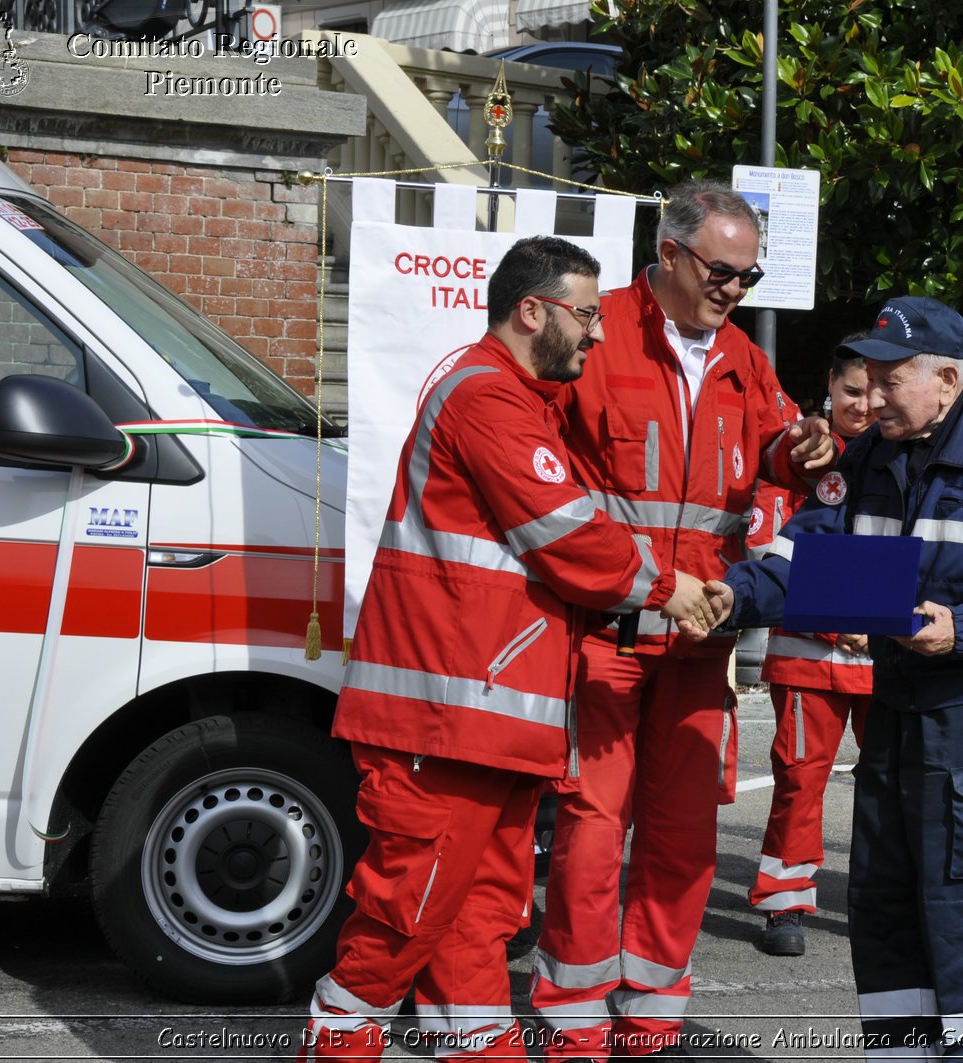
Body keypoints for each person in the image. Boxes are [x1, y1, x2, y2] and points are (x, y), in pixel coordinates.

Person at [300, 236, 714, 1062]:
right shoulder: (486, 399)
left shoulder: (516, 401)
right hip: (444, 716)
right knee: (409, 911)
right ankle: (337, 1044)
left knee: (479, 911)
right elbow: (567, 538)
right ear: (534, 310)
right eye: (587, 316)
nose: (598, 335)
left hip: (484, 718)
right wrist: (670, 587)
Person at [696, 295, 963, 1059]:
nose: (870, 397)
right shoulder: (875, 450)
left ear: (946, 379)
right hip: (895, 714)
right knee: (882, 907)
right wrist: (733, 595)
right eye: (867, 379)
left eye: (889, 381)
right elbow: (808, 552)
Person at [530, 181, 838, 1061]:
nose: (733, 289)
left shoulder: (743, 356)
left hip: (703, 637)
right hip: (604, 632)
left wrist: (802, 446)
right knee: (592, 828)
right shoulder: (599, 334)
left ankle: (651, 1016)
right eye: (721, 270)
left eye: (747, 275)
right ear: (668, 255)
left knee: (684, 832)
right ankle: (574, 1018)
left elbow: (773, 449)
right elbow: (540, 464)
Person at [745, 346, 876, 957]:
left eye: (879, 390)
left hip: (883, 657)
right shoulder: (804, 455)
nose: (866, 403)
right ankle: (784, 902)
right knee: (799, 780)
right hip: (807, 652)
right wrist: (841, 613)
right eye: (853, 390)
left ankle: (880, 899)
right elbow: (786, 550)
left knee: (889, 784)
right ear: (830, 387)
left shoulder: (907, 459)